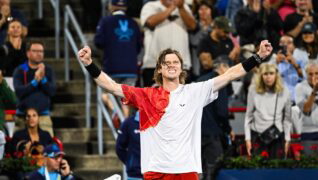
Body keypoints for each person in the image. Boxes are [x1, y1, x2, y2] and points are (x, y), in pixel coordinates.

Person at [78, 40, 272, 179]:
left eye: (175, 62)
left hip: (186, 170)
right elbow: (111, 86)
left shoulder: (195, 91)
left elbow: (229, 74)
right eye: (166, 63)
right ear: (160, 70)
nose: (171, 65)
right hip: (156, 171)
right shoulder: (145, 96)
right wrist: (89, 64)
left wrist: (258, 57)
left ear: (181, 69)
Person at [94, 0, 142, 117]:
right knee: (125, 97)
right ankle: (124, 121)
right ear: (125, 7)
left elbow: (98, 42)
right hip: (131, 68)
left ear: (111, 6)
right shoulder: (134, 23)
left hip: (111, 66)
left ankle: (114, 110)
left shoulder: (105, 21)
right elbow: (139, 46)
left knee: (105, 94)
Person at [140, 0, 196, 86]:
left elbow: (192, 26)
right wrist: (172, 8)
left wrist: (180, 8)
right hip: (154, 65)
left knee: (181, 98)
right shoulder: (150, 6)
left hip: (181, 65)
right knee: (154, 98)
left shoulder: (184, 7)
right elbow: (150, 22)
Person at [197, 60, 234, 180]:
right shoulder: (221, 81)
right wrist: (228, 129)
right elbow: (222, 112)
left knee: (199, 171)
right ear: (223, 66)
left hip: (195, 133)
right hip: (212, 134)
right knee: (215, 170)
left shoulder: (200, 80)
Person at [244, 63, 292, 159]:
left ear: (276, 75)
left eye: (271, 73)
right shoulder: (253, 90)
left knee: (277, 169)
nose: (268, 77)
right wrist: (247, 139)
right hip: (257, 134)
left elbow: (287, 119)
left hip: (277, 135)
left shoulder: (284, 91)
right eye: (265, 74)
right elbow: (248, 116)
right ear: (261, 76)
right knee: (256, 170)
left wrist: (287, 139)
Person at [13, 41, 56, 136]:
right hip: (22, 117)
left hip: (43, 116)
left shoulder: (48, 70)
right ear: (28, 53)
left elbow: (52, 91)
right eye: (35, 51)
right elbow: (19, 92)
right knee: (18, 148)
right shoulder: (20, 70)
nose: (39, 53)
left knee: (48, 148)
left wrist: (43, 79)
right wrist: (35, 81)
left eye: (41, 51)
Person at [269, 34, 303, 103]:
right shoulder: (273, 61)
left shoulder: (300, 60)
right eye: (282, 42)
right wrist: (276, 62)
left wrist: (295, 64)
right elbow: (266, 78)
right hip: (277, 101)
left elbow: (305, 79)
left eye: (289, 43)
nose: (285, 45)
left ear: (294, 46)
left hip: (295, 101)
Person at [116, 111, 143, 180]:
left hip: (156, 173)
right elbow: (119, 148)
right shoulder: (128, 123)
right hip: (135, 175)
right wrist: (130, 163)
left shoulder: (159, 123)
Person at [0, 20, 27, 89]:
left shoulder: (26, 48)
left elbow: (26, 67)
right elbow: (3, 67)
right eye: (13, 27)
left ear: (22, 31)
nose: (15, 29)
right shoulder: (3, 48)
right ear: (8, 31)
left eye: (18, 27)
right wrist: (14, 50)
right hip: (7, 81)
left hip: (22, 81)